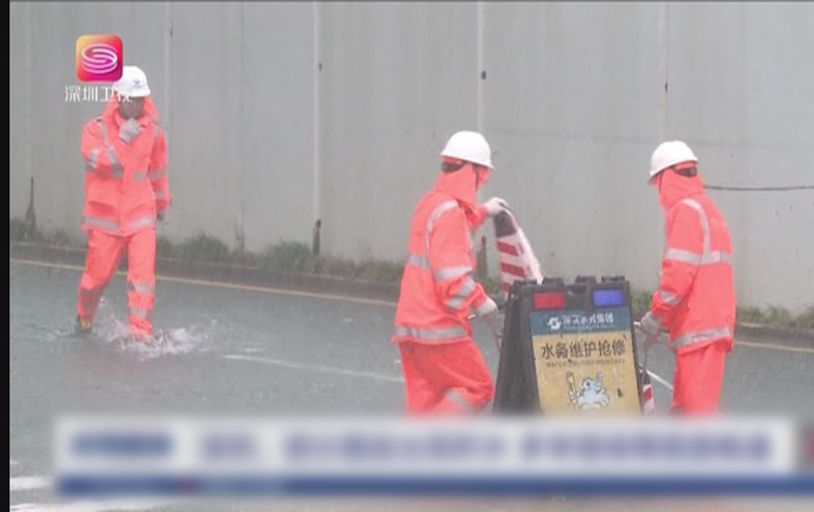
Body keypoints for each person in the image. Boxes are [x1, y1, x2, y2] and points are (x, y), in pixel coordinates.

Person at [392, 130, 508, 414]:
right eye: (483, 174)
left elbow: (455, 225)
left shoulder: (431, 203)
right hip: (438, 328)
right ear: (474, 171)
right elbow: (451, 277)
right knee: (477, 386)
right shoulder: (451, 214)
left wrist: (484, 211)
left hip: (411, 327)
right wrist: (482, 302)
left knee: (427, 398)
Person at [639, 140, 735, 414]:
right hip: (710, 326)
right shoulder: (708, 209)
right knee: (685, 410)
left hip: (699, 328)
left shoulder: (685, 211)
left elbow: (678, 276)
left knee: (695, 416)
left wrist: (656, 317)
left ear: (664, 178)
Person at [75, 65, 170, 341]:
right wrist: (123, 141)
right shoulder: (95, 130)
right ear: (119, 98)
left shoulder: (153, 134)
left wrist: (161, 205)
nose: (138, 104)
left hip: (140, 217)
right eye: (133, 98)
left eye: (141, 98)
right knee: (96, 279)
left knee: (142, 278)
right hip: (105, 223)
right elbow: (101, 163)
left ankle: (140, 331)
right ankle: (84, 316)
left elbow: (158, 174)